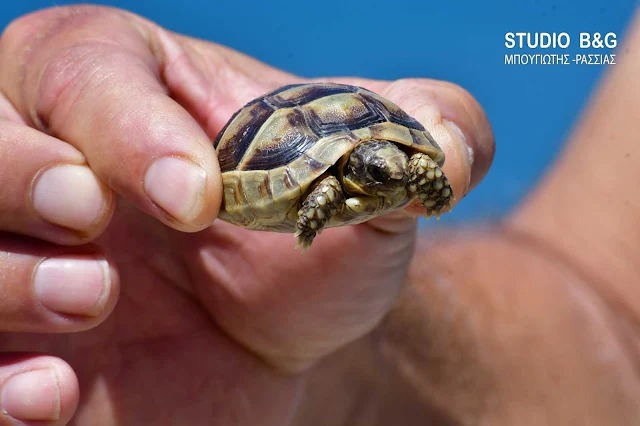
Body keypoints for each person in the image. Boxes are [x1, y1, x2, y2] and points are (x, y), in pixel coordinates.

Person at [0, 4, 636, 424]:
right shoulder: (341, 183)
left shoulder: (391, 165)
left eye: (399, 169)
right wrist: (330, 365)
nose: (396, 178)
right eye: (382, 170)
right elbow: (605, 314)